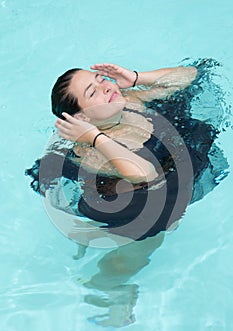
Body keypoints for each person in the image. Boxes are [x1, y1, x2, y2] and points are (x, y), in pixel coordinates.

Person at [26, 59, 228, 242]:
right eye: (92, 92)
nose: (105, 87)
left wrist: (136, 78)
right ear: (82, 118)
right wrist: (94, 137)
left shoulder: (131, 100)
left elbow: (192, 75)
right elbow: (146, 174)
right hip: (135, 204)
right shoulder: (88, 152)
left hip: (173, 166)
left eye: (101, 79)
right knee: (140, 248)